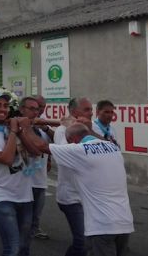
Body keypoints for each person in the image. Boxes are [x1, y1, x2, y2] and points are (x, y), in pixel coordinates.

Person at [32, 123, 134, 256]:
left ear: (73, 140)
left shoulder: (79, 150)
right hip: (124, 222)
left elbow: (42, 146)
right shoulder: (113, 147)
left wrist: (24, 127)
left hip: (102, 225)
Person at [0, 92, 36, 256]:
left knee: (24, 248)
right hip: (2, 196)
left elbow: (35, 152)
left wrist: (26, 130)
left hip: (25, 195)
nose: (3, 109)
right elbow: (7, 158)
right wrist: (14, 132)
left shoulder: (15, 129)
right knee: (13, 248)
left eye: (5, 105)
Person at [52, 96, 92, 256]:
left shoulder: (91, 128)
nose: (91, 113)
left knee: (90, 240)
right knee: (82, 241)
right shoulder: (62, 130)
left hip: (89, 195)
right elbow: (64, 156)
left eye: (91, 109)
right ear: (75, 112)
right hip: (71, 197)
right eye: (87, 109)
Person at [18, 96, 51, 240]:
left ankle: (35, 229)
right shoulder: (18, 125)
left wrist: (46, 128)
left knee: (38, 209)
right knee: (25, 213)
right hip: (25, 177)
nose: (38, 111)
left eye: (40, 108)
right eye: (35, 108)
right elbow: (36, 148)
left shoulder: (43, 125)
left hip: (40, 176)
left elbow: (55, 143)